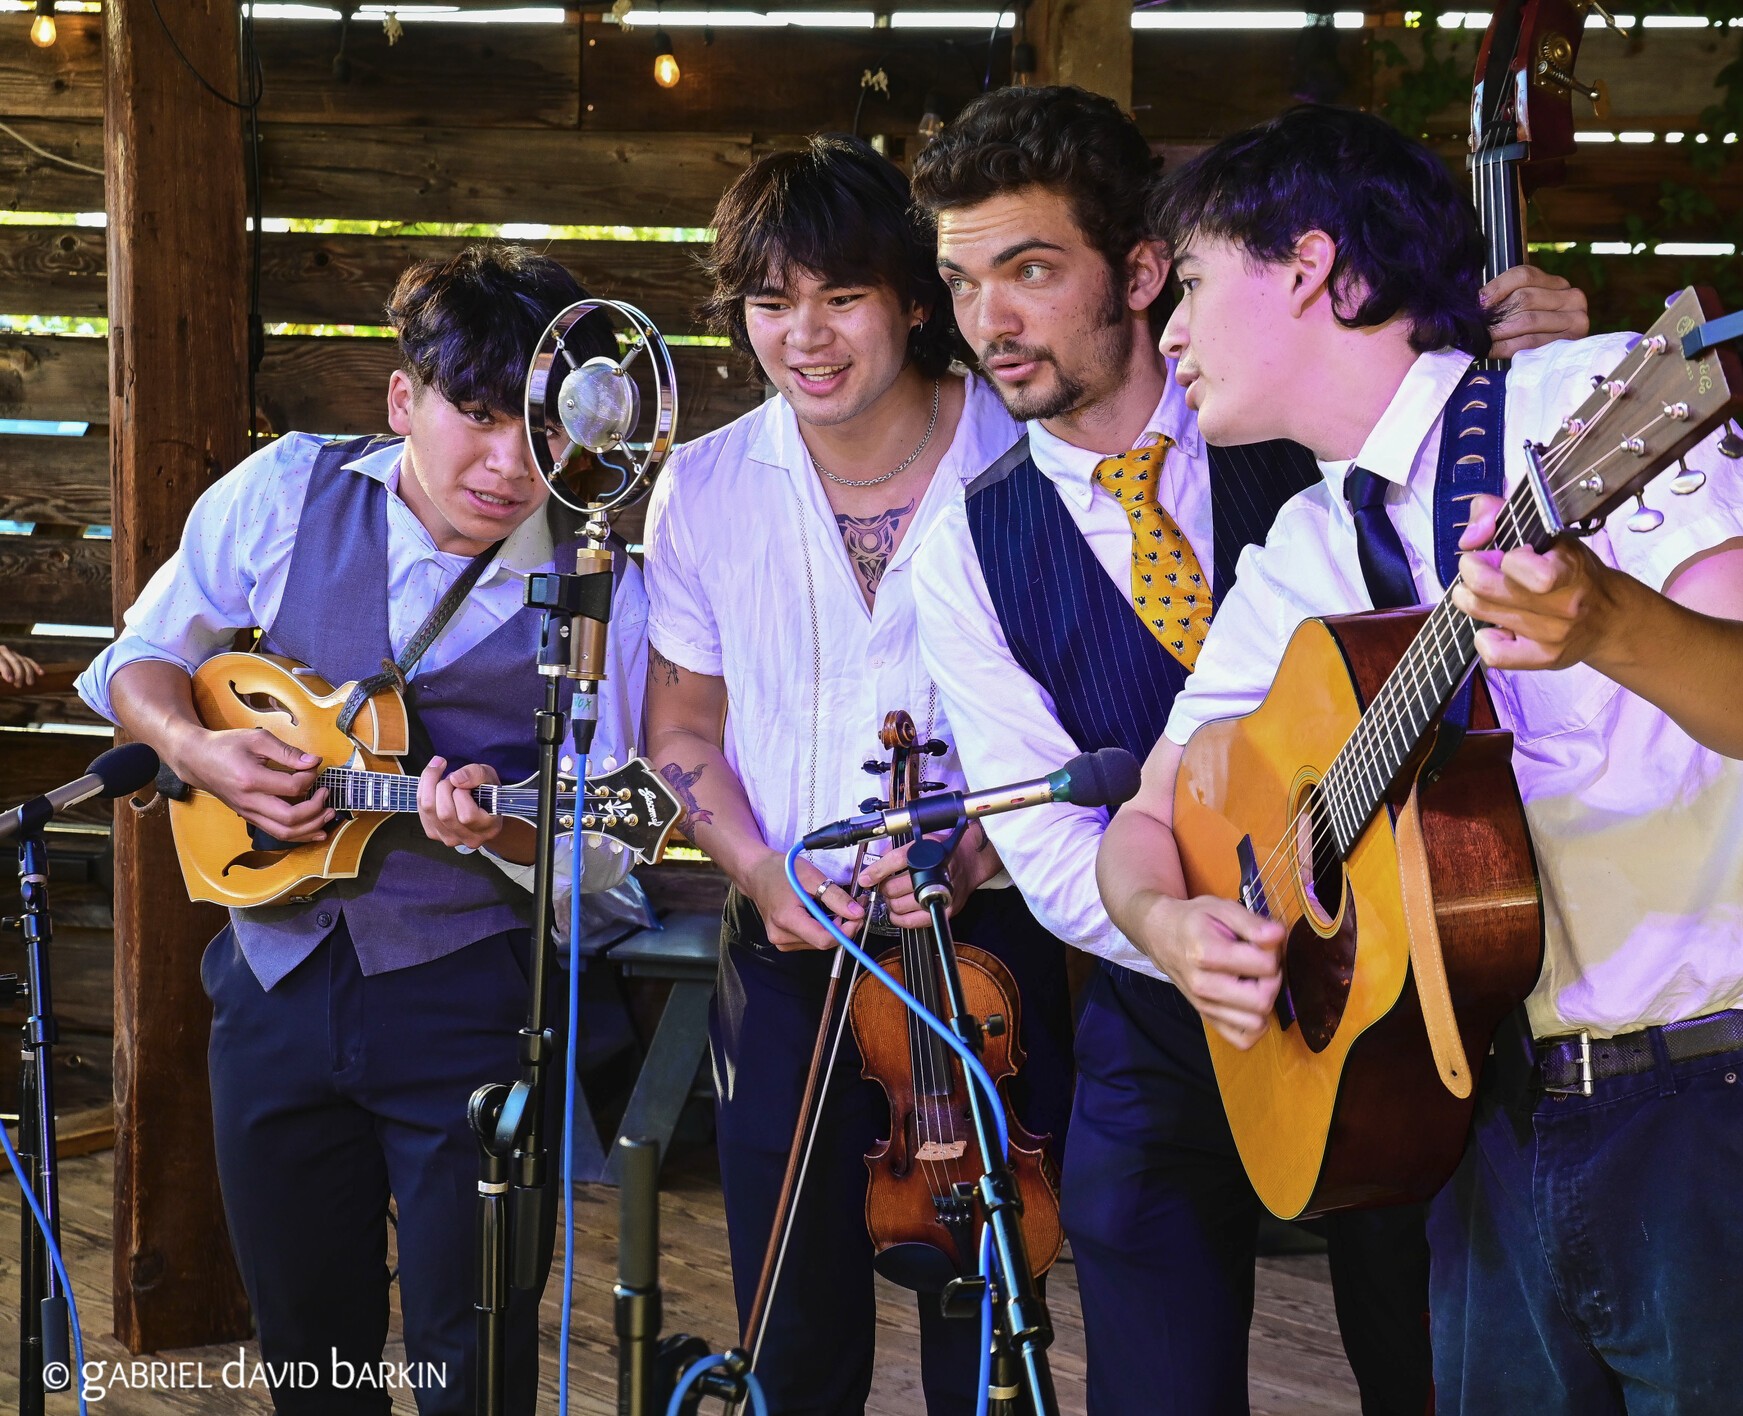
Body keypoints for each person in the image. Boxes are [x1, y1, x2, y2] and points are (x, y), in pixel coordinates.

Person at [1096, 104, 1743, 1414]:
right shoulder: (1304, 547)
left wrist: (1605, 619)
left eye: (1188, 285)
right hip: (1484, 1141)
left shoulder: (1585, 403)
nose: (1166, 331)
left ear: (1312, 267)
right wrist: (1176, 923)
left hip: (1718, 1108)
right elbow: (1148, 816)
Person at [907, 86, 1587, 1415]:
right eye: (962, 280)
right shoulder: (963, 553)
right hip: (1162, 999)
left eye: (1030, 269)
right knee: (1144, 1323)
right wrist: (1192, 936)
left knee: (1434, 1354)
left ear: (1148, 270)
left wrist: (1526, 364)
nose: (989, 320)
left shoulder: (1323, 422)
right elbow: (1050, 846)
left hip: (1406, 974)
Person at [77, 244, 647, 1416]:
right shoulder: (287, 488)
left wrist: (494, 834)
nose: (507, 463)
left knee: (469, 1363)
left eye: (538, 430)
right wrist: (197, 752)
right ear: (404, 401)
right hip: (269, 985)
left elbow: (610, 839)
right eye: (476, 416)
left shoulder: (599, 591)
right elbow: (137, 659)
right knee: (307, 1349)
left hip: (476, 1002)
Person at [637, 134, 1073, 1416]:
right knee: (792, 1308)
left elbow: (1100, 713)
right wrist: (760, 871)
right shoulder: (704, 486)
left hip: (986, 945)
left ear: (910, 298)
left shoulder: (1026, 459)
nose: (805, 336)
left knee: (986, 1302)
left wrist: (989, 844)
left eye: (840, 296)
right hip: (784, 940)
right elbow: (679, 729)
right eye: (771, 304)